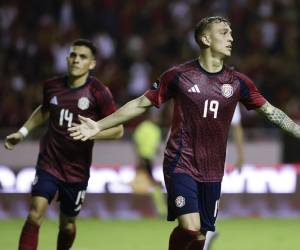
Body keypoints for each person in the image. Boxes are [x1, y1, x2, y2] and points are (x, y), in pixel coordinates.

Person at [68, 16, 300, 250]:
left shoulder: (238, 82)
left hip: (212, 170)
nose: (231, 38)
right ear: (205, 38)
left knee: (199, 236)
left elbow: (271, 112)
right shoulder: (178, 75)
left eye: (230, 33)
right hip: (181, 162)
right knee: (190, 226)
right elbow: (140, 104)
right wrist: (99, 125)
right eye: (224, 33)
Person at [4, 39, 123, 250]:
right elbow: (44, 110)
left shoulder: (98, 92)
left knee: (67, 225)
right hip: (49, 161)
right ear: (67, 58)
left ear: (92, 64)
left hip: (77, 169)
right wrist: (22, 132)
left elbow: (118, 130)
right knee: (34, 213)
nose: (77, 60)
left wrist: (92, 134)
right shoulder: (52, 86)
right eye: (73, 55)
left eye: (83, 57)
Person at [203, 104, 245, 250]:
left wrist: (241, 155)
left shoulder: (230, 91)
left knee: (209, 197)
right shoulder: (190, 84)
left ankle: (205, 234)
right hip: (190, 153)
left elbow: (236, 126)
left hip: (214, 156)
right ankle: (204, 234)